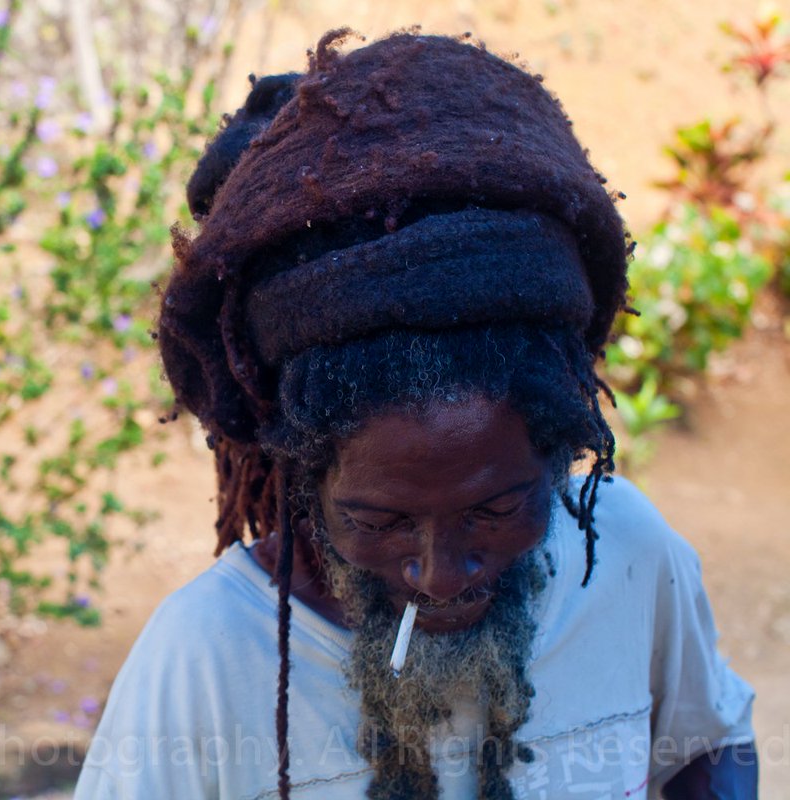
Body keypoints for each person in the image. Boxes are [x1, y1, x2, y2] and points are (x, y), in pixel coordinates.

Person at [73, 30, 758, 800]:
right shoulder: (211, 654)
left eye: (496, 508)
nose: (440, 574)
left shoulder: (627, 556)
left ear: (557, 453)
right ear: (304, 475)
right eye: (380, 521)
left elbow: (709, 744)